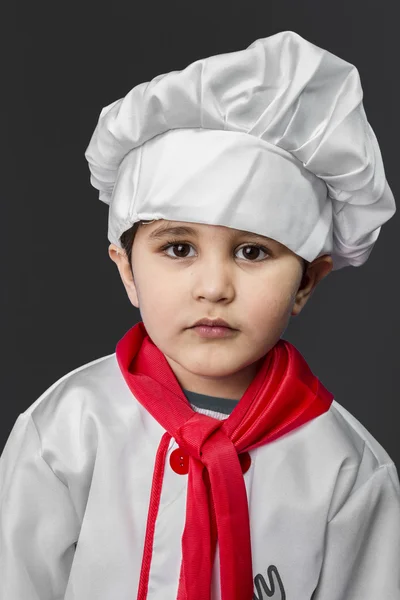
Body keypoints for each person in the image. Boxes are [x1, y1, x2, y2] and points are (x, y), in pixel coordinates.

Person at [0, 30, 399, 600]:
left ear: (307, 281)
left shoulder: (347, 472)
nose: (214, 287)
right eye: (179, 248)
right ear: (127, 269)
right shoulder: (66, 431)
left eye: (253, 251)